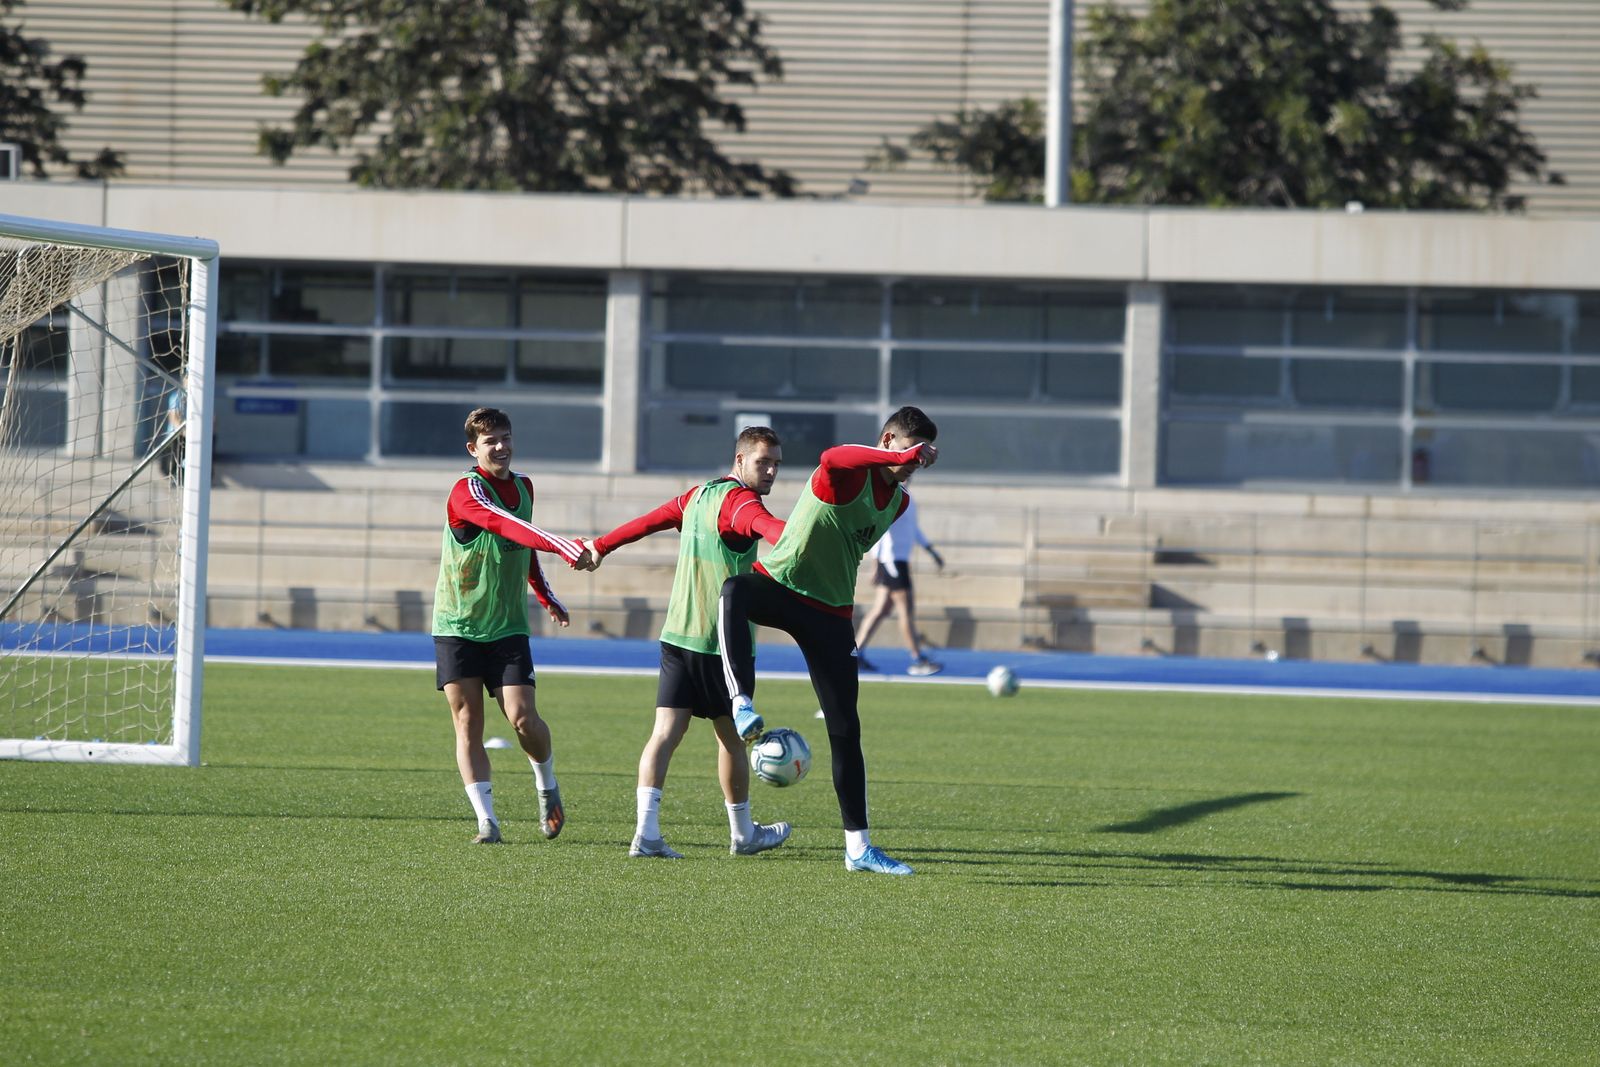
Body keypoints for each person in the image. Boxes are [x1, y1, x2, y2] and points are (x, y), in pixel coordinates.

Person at [717, 406, 938, 876]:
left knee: (846, 730)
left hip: (831, 613)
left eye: (919, 459)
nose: (913, 464)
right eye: (907, 451)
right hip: (781, 586)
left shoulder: (898, 503)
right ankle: (741, 704)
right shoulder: (845, 475)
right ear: (885, 440)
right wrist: (900, 454)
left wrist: (906, 460)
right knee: (735, 590)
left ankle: (858, 848)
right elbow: (833, 455)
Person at [577, 426, 793, 860]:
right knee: (732, 740)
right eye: (762, 462)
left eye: (775, 464)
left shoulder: (697, 495)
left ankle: (647, 833)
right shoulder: (741, 503)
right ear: (739, 461)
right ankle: (742, 833)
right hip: (723, 646)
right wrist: (811, 542)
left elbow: (648, 522)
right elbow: (772, 530)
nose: (770, 471)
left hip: (678, 636)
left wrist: (601, 545)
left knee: (664, 735)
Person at [432, 407, 593, 845]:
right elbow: (505, 524)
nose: (501, 446)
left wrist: (545, 594)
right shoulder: (466, 491)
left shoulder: (523, 487)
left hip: (506, 626)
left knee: (524, 718)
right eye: (490, 442)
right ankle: (487, 820)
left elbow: (520, 543)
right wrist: (564, 545)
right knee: (468, 724)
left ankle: (546, 785)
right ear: (473, 449)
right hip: (458, 623)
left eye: (505, 438)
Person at [854, 492, 945, 675]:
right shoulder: (889, 497)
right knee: (906, 610)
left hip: (899, 560)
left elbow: (913, 528)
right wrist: (876, 563)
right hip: (892, 561)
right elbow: (879, 529)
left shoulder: (909, 500)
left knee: (881, 610)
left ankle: (856, 653)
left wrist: (930, 550)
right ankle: (918, 659)